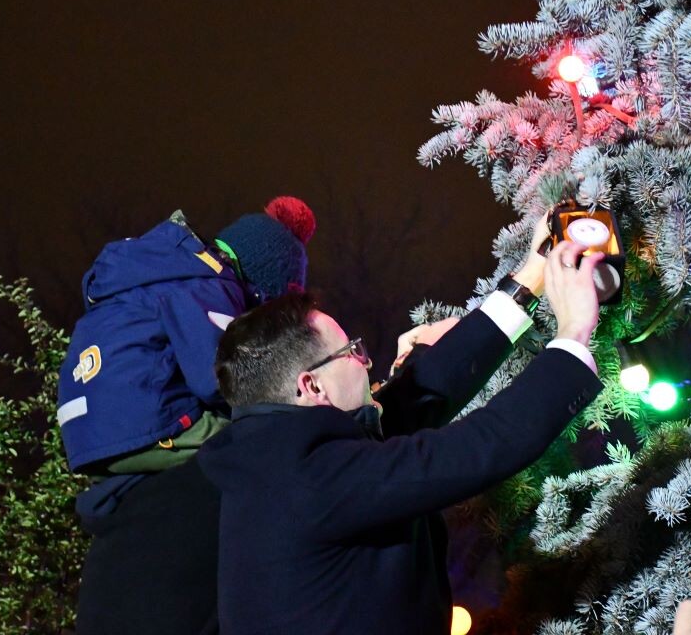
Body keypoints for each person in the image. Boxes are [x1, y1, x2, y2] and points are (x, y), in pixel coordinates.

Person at [198, 234, 606, 635]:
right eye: (350, 352)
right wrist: (573, 331)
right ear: (312, 385)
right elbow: (483, 445)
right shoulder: (310, 478)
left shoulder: (281, 455)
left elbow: (421, 394)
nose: (366, 362)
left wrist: (531, 276)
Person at [59, 198, 315, 635]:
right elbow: (219, 378)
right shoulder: (208, 286)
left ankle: (109, 499)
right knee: (255, 441)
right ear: (262, 286)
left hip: (91, 434)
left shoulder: (154, 276)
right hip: (145, 423)